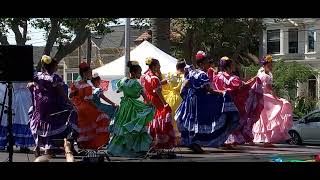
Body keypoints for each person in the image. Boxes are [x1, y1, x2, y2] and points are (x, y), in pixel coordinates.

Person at [175, 51, 239, 153]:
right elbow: (209, 90)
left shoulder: (192, 72)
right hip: (199, 103)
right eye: (206, 62)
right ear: (201, 64)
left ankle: (192, 143)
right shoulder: (202, 75)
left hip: (190, 102)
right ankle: (195, 143)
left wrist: (186, 95)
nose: (208, 64)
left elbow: (185, 84)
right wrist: (222, 93)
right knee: (200, 121)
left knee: (193, 122)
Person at [28, 55, 78, 157]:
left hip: (39, 104)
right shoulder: (54, 78)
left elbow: (29, 85)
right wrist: (69, 102)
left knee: (39, 122)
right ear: (52, 66)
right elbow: (61, 92)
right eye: (56, 66)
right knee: (53, 122)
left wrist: (36, 87)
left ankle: (38, 147)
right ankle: (48, 148)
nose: (57, 67)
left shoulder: (37, 76)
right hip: (50, 103)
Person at [212, 56, 264, 146]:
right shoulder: (233, 79)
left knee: (223, 121)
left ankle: (223, 140)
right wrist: (254, 80)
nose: (234, 66)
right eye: (232, 65)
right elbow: (242, 87)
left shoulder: (217, 77)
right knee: (233, 121)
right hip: (232, 103)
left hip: (219, 103)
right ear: (228, 66)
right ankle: (229, 140)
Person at [107, 61, 155, 157]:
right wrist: (149, 103)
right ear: (133, 73)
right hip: (133, 106)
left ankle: (116, 149)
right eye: (139, 73)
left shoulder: (124, 81)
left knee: (123, 126)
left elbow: (117, 90)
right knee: (133, 126)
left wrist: (125, 90)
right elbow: (143, 93)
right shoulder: (136, 83)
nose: (140, 74)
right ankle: (135, 149)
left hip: (124, 106)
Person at [252, 55, 293, 147]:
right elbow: (269, 88)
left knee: (263, 119)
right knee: (275, 112)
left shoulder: (260, 73)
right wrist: (277, 97)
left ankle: (263, 139)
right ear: (265, 65)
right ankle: (267, 140)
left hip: (260, 97)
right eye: (270, 65)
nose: (271, 67)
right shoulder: (266, 76)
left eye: (271, 65)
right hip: (265, 98)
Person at [70, 62, 110, 149]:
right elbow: (89, 100)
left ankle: (81, 144)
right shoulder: (87, 86)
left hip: (76, 107)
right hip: (85, 108)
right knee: (102, 117)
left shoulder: (75, 84)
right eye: (90, 73)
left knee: (82, 126)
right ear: (85, 73)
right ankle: (85, 144)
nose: (91, 74)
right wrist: (96, 108)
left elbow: (70, 96)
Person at [141, 57, 176, 150]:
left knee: (151, 120)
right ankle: (158, 142)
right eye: (158, 65)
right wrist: (165, 103)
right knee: (159, 120)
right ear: (154, 66)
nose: (159, 66)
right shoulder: (154, 78)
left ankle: (149, 142)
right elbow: (158, 91)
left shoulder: (144, 76)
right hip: (156, 101)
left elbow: (145, 89)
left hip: (148, 99)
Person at [161, 60, 186, 144]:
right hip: (181, 99)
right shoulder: (185, 76)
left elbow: (161, 83)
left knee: (172, 118)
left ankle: (171, 139)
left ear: (176, 67)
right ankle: (179, 140)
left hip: (170, 99)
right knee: (180, 119)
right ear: (184, 68)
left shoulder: (171, 75)